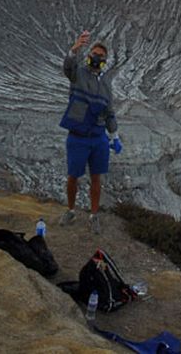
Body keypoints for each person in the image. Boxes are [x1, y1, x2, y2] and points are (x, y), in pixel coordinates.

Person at [58, 30, 122, 234]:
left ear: (105, 60)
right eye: (94, 53)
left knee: (96, 177)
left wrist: (115, 136)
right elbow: (68, 67)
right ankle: (70, 210)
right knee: (73, 176)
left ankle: (94, 215)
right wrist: (74, 49)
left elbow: (109, 111)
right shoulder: (78, 73)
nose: (96, 57)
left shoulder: (106, 84)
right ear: (88, 55)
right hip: (78, 136)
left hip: (98, 137)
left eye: (101, 56)